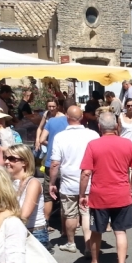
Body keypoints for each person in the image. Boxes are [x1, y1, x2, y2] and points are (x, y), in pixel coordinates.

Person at [79, 112, 132, 263]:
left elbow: (85, 173)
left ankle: (94, 262)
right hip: (121, 195)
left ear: (99, 127)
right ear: (116, 126)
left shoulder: (93, 145)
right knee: (120, 232)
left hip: (99, 196)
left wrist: (82, 194)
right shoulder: (127, 144)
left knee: (96, 231)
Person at [49, 106, 99, 254]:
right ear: (82, 116)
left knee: (70, 214)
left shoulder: (60, 137)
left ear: (67, 117)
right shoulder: (93, 135)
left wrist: (52, 183)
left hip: (68, 182)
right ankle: (88, 245)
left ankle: (71, 243)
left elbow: (55, 163)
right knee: (86, 213)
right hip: (89, 181)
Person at [4, 144, 49, 250]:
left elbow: (24, 214)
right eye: (6, 157)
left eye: (11, 159)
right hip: (15, 231)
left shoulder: (33, 183)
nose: (6, 162)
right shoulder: (10, 182)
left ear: (24, 162)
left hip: (34, 233)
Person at [37, 98, 69, 223]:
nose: (51, 108)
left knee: (48, 195)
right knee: (64, 196)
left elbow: (42, 139)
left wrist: (51, 143)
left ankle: (45, 223)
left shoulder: (51, 122)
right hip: (66, 163)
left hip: (51, 161)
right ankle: (65, 228)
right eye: (49, 106)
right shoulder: (72, 123)